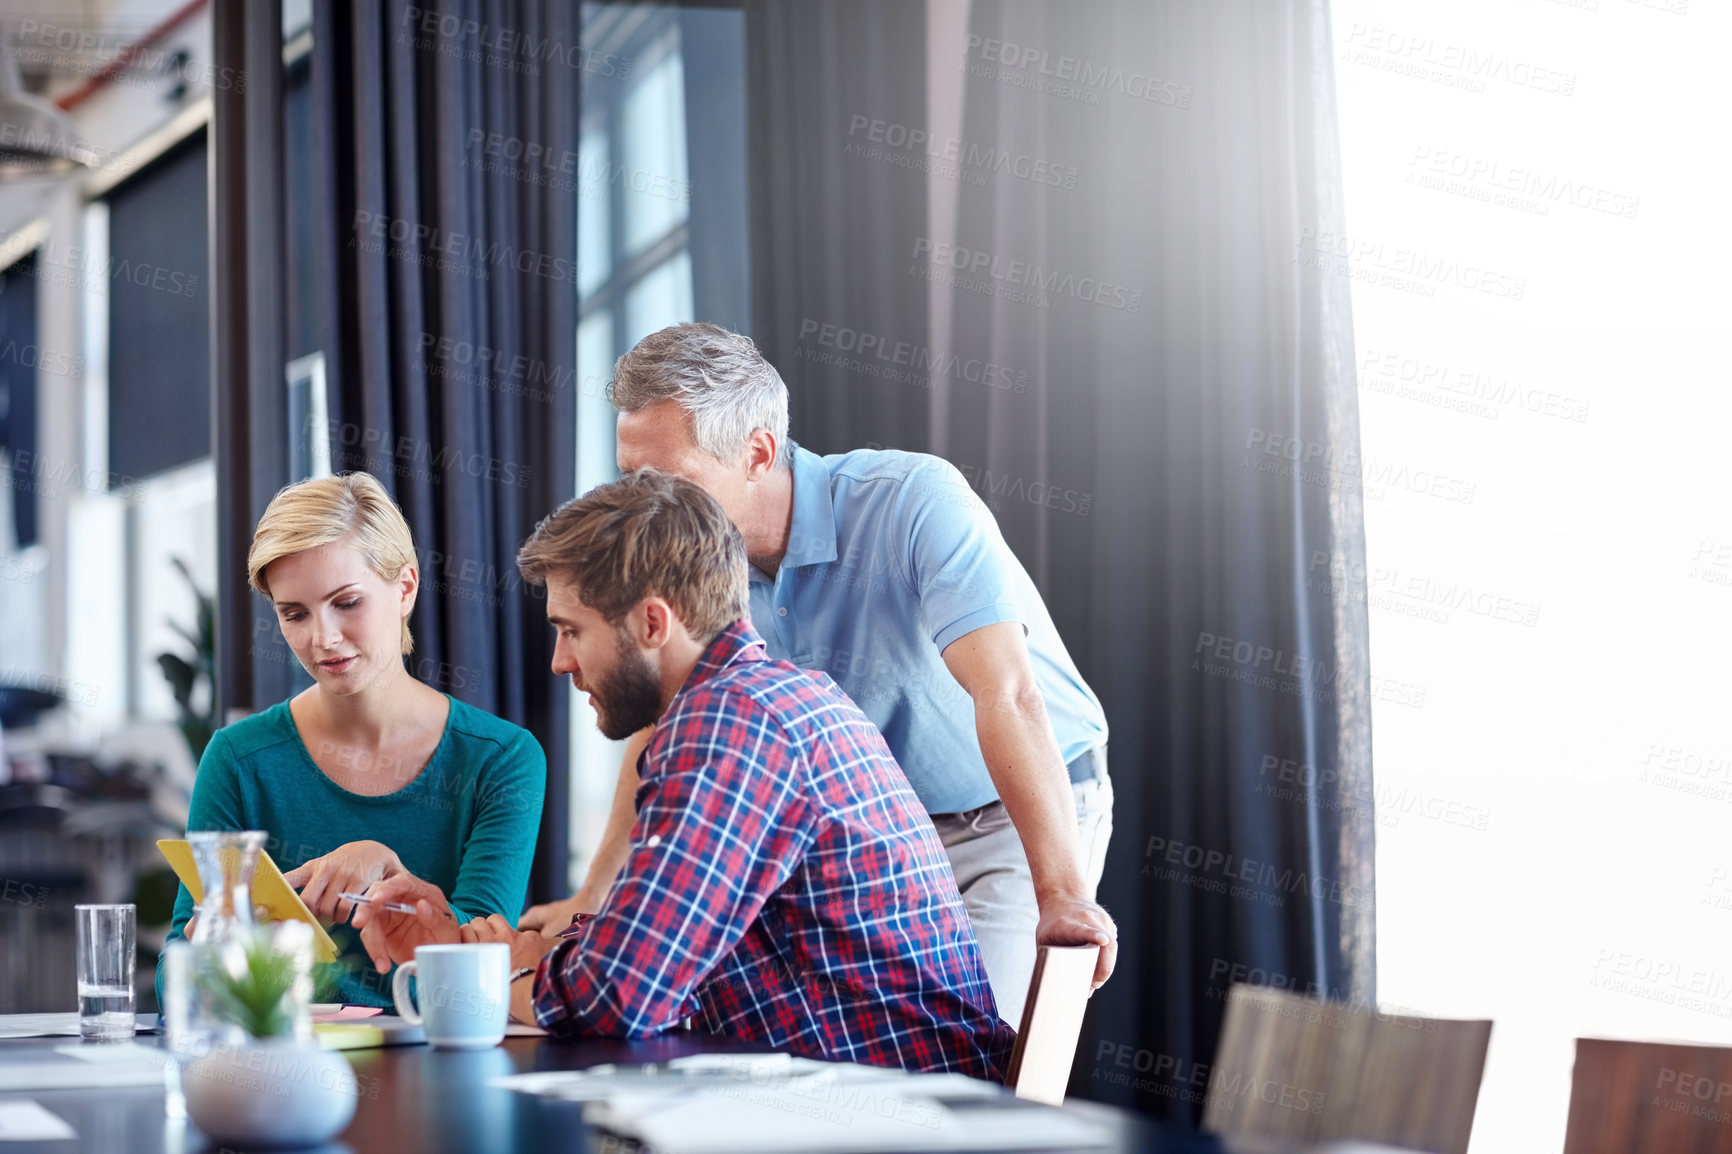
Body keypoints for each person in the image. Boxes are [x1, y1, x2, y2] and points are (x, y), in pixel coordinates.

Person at [518, 323, 1114, 1023]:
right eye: (631, 480)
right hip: (889, 836)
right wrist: (591, 902)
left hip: (1017, 811)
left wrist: (1062, 892)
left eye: (668, 482)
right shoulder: (695, 570)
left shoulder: (913, 501)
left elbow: (1006, 693)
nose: (644, 506)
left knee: (987, 1067)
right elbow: (657, 722)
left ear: (758, 453)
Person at [355, 471, 1017, 1078]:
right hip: (882, 1095)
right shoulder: (775, 696)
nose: (559, 662)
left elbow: (618, 997)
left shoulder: (732, 727)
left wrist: (489, 970)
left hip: (890, 1117)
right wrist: (513, 946)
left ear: (651, 622)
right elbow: (657, 936)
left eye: (571, 630)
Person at [157, 472, 544, 1006]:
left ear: (405, 587)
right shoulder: (238, 758)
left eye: (347, 602)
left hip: (437, 1064)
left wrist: (387, 866)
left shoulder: (499, 758)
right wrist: (213, 951)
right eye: (294, 614)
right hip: (284, 1070)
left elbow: (483, 961)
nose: (324, 638)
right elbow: (175, 973)